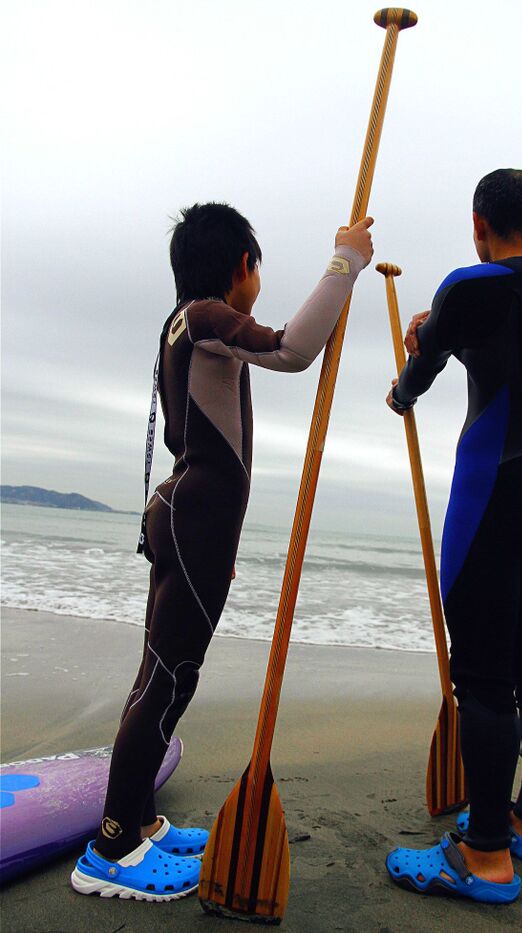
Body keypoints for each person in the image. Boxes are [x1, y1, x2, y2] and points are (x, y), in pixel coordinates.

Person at [70, 202, 374, 901]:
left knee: (160, 674)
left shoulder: (184, 322)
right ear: (243, 267)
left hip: (188, 515)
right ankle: (112, 849)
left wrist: (218, 548)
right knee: (168, 678)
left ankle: (138, 819)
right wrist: (344, 261)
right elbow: (293, 348)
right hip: (194, 512)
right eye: (258, 265)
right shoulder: (206, 315)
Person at [384, 169, 522, 904]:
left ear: (478, 222)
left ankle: (482, 853)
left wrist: (403, 390)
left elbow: (427, 362)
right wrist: (440, 326)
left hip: (490, 491)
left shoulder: (470, 284)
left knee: (482, 676)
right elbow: (503, 340)